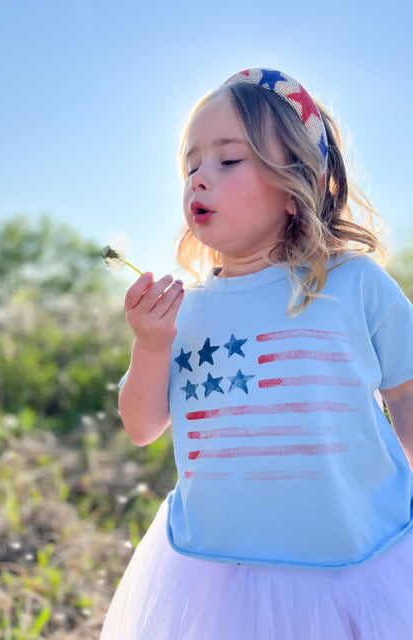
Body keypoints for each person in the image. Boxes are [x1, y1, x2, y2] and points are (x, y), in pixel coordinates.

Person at [100, 68, 413, 639]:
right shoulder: (185, 312)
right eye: (191, 165)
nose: (199, 178)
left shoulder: (354, 284)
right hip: (220, 573)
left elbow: (406, 391)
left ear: (296, 183)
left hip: (356, 560)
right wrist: (150, 346)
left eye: (228, 160)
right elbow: (143, 426)